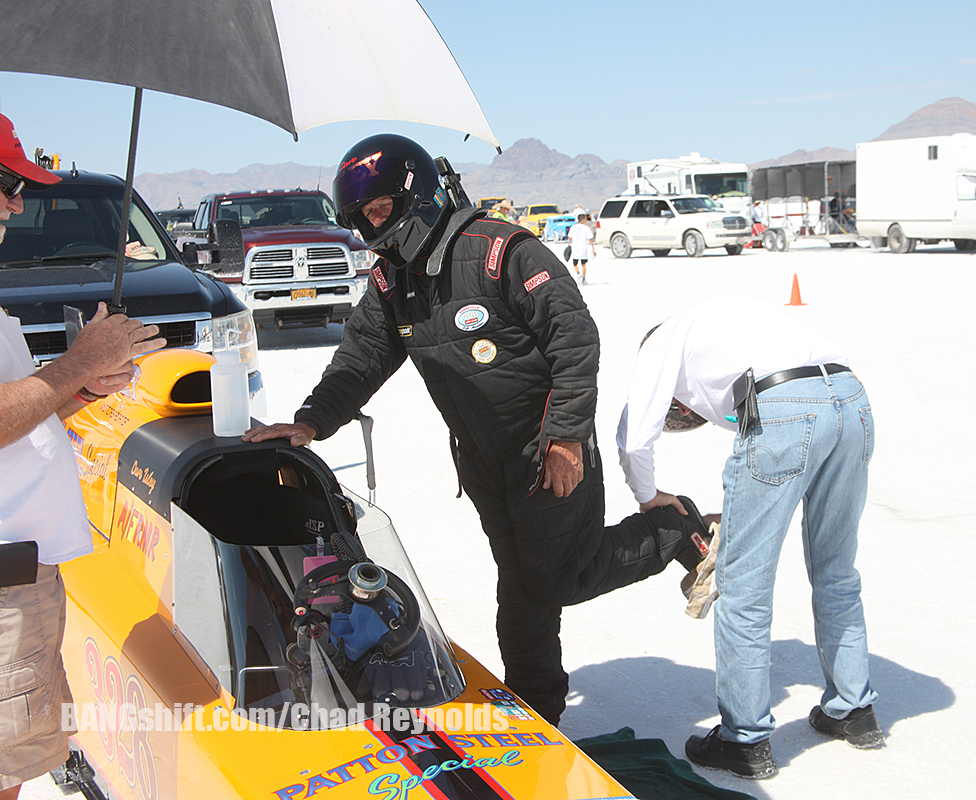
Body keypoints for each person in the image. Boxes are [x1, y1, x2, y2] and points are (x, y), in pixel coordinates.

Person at [243, 134, 712, 724]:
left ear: (414, 195)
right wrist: (310, 423)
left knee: (562, 579)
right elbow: (360, 359)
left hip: (547, 450)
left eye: (381, 211)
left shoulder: (502, 251)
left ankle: (671, 529)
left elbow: (575, 338)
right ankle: (538, 716)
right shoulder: (392, 282)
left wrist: (566, 437)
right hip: (486, 467)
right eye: (361, 218)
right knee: (521, 593)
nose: (373, 226)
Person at [616, 295, 882, 780]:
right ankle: (854, 710)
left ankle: (745, 740)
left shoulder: (661, 340)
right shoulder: (728, 322)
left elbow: (635, 436)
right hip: (851, 399)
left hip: (782, 408)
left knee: (743, 588)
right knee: (837, 569)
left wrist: (649, 495)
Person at [0, 113, 166, 800]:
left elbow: (20, 422)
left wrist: (79, 388)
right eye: (7, 184)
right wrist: (74, 366)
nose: (15, 204)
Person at [566, 212, 595, 285]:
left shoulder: (573, 227)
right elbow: (590, 239)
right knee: (584, 264)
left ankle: (578, 273)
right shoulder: (586, 228)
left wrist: (568, 245)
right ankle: (584, 279)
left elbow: (569, 237)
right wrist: (593, 248)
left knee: (575, 264)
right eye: (585, 219)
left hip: (575, 248)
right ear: (582, 220)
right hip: (583, 249)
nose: (586, 221)